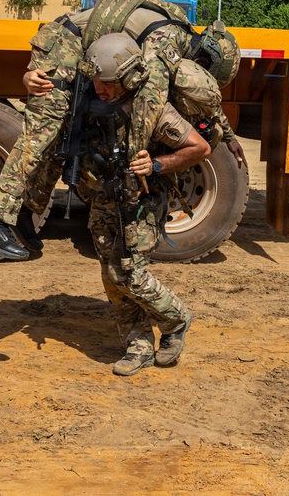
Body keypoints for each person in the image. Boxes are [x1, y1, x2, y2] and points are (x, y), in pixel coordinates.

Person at [0, 0, 244, 260]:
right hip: (66, 43)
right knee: (44, 130)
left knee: (66, 138)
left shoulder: (180, 35)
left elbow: (202, 98)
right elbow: (148, 105)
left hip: (84, 52)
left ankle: (26, 212)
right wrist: (136, 163)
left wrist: (230, 137)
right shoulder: (166, 42)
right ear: (202, 61)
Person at [78, 32, 211, 376]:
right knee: (111, 276)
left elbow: (199, 148)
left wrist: (155, 165)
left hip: (141, 200)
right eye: (96, 81)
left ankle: (176, 318)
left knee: (129, 273)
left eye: (106, 83)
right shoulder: (90, 99)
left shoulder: (155, 109)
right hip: (104, 196)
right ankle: (137, 346)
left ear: (128, 77)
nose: (99, 89)